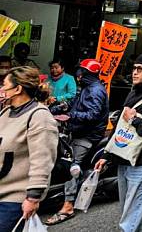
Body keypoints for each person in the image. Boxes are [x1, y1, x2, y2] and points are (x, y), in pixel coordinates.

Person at [95, 50, 142, 232]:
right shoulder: (133, 92)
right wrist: (107, 154)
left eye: (139, 69)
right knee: (133, 207)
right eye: (133, 68)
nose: (134, 72)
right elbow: (122, 126)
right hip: (124, 157)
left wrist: (134, 120)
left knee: (132, 212)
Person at [46, 59, 109, 226]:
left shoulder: (96, 91)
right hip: (77, 131)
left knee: (72, 166)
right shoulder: (86, 88)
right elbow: (73, 104)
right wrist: (54, 109)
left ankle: (67, 206)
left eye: (82, 72)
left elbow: (93, 114)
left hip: (88, 135)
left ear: (88, 74)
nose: (79, 75)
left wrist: (71, 116)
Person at [0, 67, 58, 232]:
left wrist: (33, 198)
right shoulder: (6, 111)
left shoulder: (39, 117)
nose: (2, 89)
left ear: (17, 89)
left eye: (4, 85)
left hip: (14, 198)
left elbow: (42, 161)